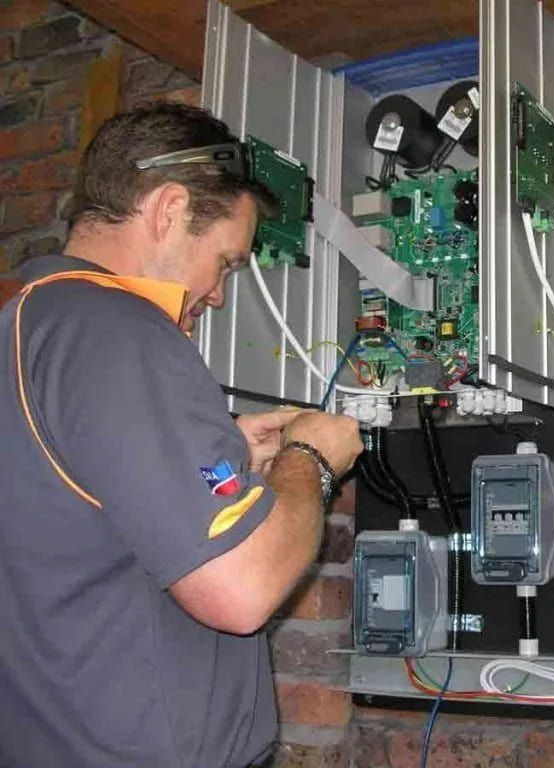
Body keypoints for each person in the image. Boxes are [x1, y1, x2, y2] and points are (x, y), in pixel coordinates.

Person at [0, 102, 364, 767]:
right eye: (225, 262)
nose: (220, 294)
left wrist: (227, 457)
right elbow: (241, 589)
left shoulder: (27, 320)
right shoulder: (121, 328)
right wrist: (311, 458)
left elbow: (78, 516)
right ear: (168, 210)